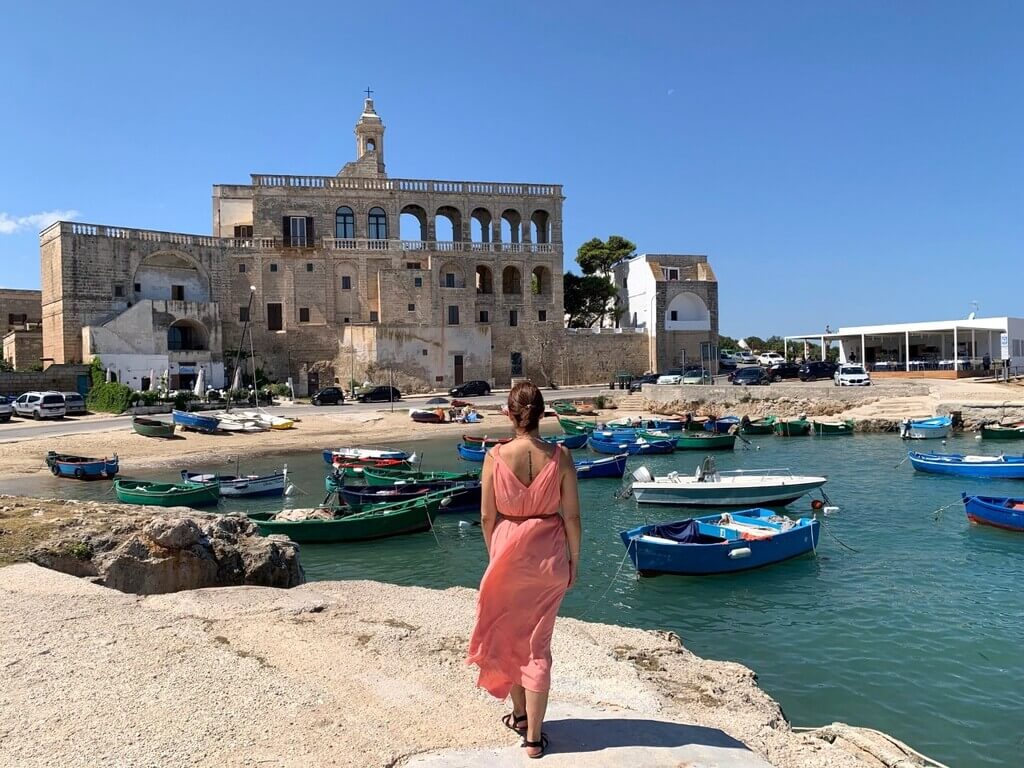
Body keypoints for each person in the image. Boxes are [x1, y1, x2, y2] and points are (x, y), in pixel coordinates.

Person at [466, 381, 582, 759]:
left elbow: (486, 515)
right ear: (542, 413)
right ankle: (533, 736)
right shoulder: (561, 456)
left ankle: (520, 716)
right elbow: (573, 516)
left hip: (506, 554)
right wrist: (574, 559)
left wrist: (495, 554)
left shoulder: (494, 457)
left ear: (508, 414)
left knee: (507, 636)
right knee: (538, 645)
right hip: (548, 556)